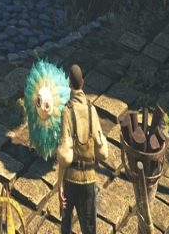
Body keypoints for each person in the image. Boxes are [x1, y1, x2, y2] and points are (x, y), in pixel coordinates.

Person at [57, 64, 109, 234]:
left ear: (69, 85)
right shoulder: (91, 109)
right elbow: (102, 151)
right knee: (89, 227)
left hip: (71, 179)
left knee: (66, 223)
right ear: (83, 83)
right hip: (89, 179)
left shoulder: (66, 111)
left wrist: (59, 185)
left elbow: (64, 156)